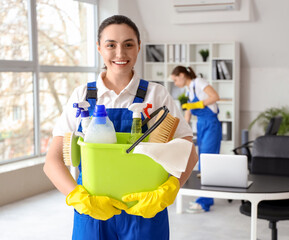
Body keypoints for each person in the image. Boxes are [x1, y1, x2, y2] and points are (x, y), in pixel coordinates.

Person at [44, 15, 198, 240]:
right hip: (93, 210)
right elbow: (52, 161)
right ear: (99, 48)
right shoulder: (82, 96)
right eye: (110, 45)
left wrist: (170, 189)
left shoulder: (157, 95)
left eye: (128, 44)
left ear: (138, 47)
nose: (120, 53)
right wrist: (78, 197)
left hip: (145, 209)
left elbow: (188, 152)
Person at [171, 66, 222, 213]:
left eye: (175, 80)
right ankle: (205, 198)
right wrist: (182, 132)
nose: (175, 83)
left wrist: (197, 104)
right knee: (202, 160)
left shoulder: (198, 82)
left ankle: (204, 202)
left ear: (181, 75)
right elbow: (187, 114)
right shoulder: (189, 90)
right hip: (201, 124)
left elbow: (215, 97)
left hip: (210, 124)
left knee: (207, 161)